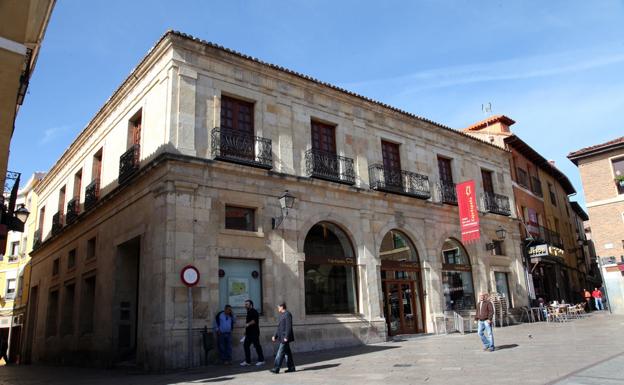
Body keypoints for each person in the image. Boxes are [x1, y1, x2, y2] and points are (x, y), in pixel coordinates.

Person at [270, 302, 295, 374]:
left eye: (278, 307)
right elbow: (279, 327)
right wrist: (275, 335)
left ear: (282, 307)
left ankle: (276, 368)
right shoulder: (282, 315)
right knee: (287, 353)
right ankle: (291, 367)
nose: (278, 308)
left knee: (280, 353)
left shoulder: (287, 314)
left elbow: (288, 326)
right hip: (281, 337)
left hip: (285, 337)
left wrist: (286, 336)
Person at [240, 299, 265, 367]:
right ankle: (248, 361)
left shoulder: (254, 311)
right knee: (246, 346)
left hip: (254, 333)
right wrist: (245, 331)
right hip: (249, 333)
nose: (245, 305)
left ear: (251, 305)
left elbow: (254, 321)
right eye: (245, 304)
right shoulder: (248, 312)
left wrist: (248, 324)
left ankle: (261, 360)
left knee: (257, 346)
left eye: (247, 304)